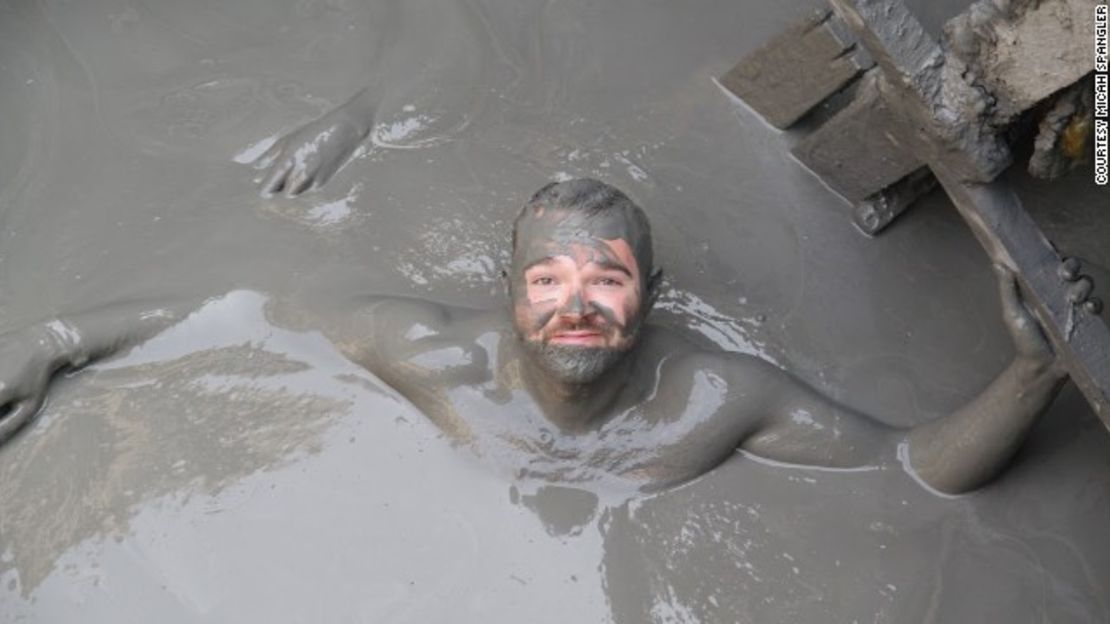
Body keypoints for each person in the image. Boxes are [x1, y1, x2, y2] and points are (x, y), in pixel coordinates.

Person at [0, 178, 1090, 493]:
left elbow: (913, 467)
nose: (578, 299)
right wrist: (54, 335)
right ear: (508, 293)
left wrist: (1036, 373)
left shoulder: (716, 398)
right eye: (549, 275)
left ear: (649, 300)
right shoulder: (428, 351)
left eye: (607, 277)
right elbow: (244, 314)